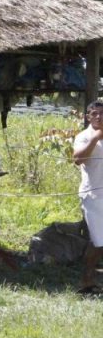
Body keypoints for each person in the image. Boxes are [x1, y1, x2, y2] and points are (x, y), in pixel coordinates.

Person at [72, 99, 103, 294]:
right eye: (95, 114)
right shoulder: (84, 136)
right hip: (93, 196)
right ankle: (86, 280)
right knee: (99, 241)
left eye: (102, 114)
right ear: (88, 116)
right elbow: (78, 159)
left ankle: (90, 280)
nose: (99, 117)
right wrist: (96, 138)